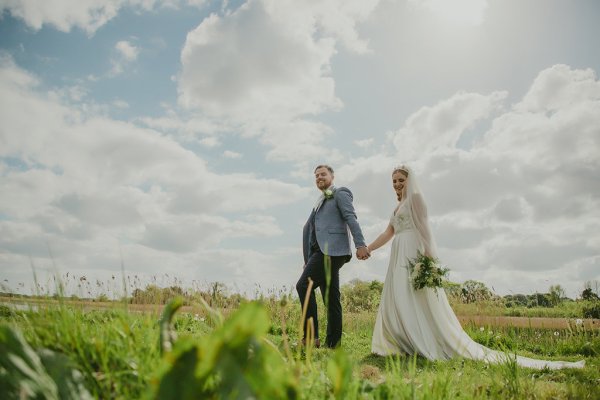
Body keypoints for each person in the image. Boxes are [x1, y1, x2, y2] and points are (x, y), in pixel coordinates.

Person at [366, 165, 585, 369]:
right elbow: (388, 233)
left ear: (409, 180)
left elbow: (425, 228)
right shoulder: (397, 207)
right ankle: (405, 342)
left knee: (415, 297)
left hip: (413, 251)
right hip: (398, 252)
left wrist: (429, 257)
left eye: (401, 180)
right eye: (394, 181)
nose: (397, 184)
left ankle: (424, 341)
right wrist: (368, 248)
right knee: (399, 296)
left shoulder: (416, 198)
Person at [296, 164, 370, 348]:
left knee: (303, 286)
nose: (319, 177)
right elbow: (311, 231)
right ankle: (334, 343)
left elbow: (351, 218)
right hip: (319, 253)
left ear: (332, 176)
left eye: (323, 174)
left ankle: (311, 338)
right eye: (316, 176)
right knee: (330, 297)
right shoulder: (319, 202)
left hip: (331, 251)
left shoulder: (340, 193)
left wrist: (360, 244)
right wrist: (308, 261)